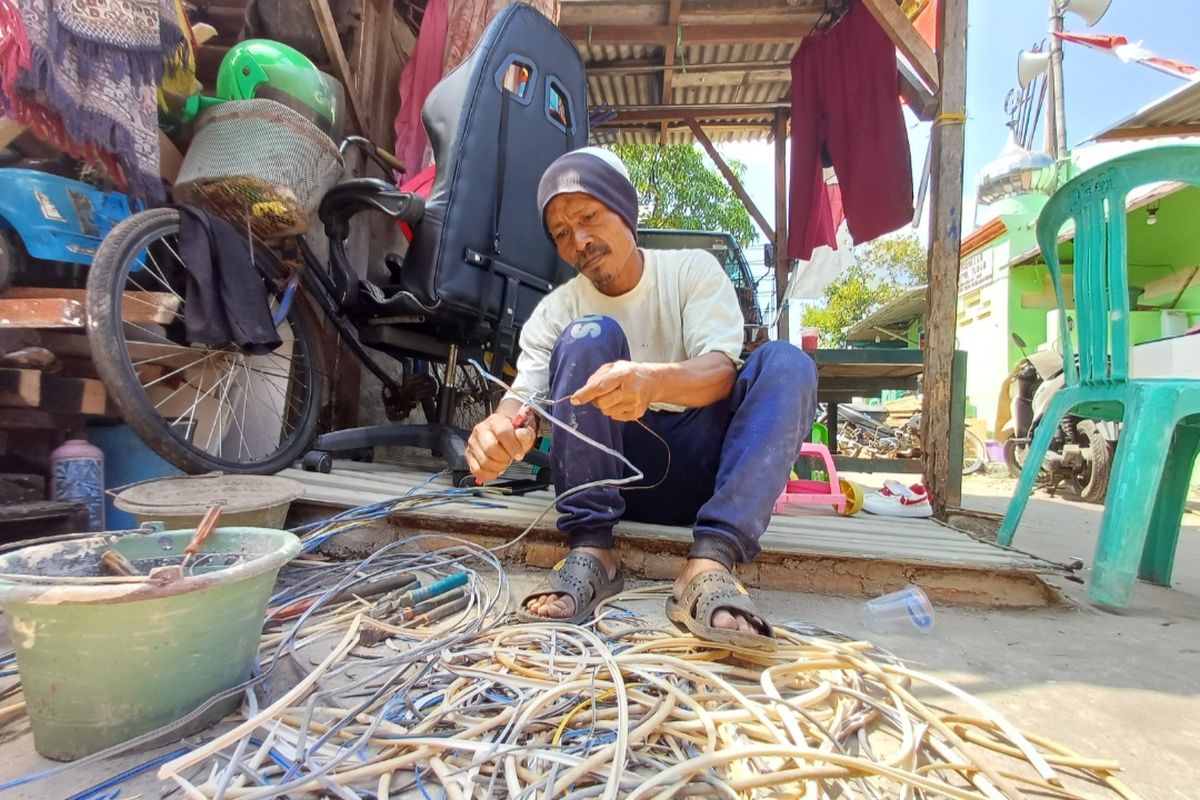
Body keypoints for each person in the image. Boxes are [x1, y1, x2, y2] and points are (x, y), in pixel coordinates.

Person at [465, 147, 817, 650]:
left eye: (588, 216)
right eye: (562, 233)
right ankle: (592, 552)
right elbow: (519, 410)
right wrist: (497, 436)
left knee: (788, 363)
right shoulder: (557, 312)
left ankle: (711, 561)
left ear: (626, 211)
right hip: (612, 475)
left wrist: (652, 382)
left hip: (704, 473)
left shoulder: (691, 270)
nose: (579, 240)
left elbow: (720, 372)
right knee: (589, 334)